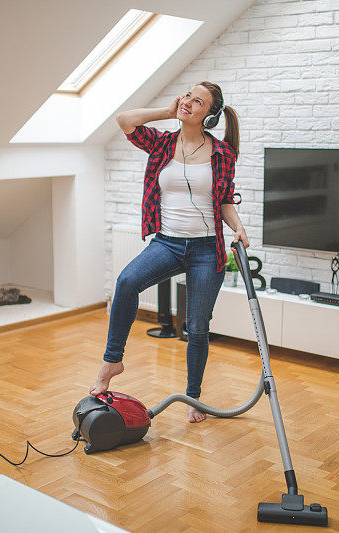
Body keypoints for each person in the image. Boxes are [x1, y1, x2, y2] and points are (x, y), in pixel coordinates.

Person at [89, 82, 249, 423]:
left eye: (198, 102)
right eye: (188, 96)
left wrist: (237, 226)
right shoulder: (162, 143)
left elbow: (223, 201)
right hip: (167, 242)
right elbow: (124, 120)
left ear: (209, 115)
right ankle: (112, 360)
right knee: (127, 281)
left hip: (207, 249)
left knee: (197, 326)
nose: (189, 102)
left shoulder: (223, 154)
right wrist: (167, 111)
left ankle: (194, 397)